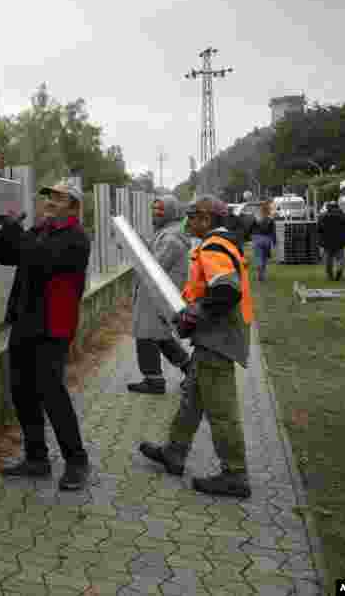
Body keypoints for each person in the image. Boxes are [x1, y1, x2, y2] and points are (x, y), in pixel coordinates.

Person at [138, 195, 254, 498]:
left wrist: (194, 315)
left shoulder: (214, 246)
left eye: (192, 216)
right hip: (213, 337)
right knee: (192, 398)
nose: (187, 222)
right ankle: (174, 452)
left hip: (218, 338)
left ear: (206, 219)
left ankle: (235, 474)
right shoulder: (221, 242)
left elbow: (227, 291)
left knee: (221, 409)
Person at [0, 182, 92, 490]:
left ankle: (77, 462)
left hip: (53, 327)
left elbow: (38, 257)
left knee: (51, 393)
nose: (49, 201)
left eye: (58, 197)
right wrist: (8, 228)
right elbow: (5, 255)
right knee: (22, 391)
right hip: (25, 323)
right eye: (48, 195)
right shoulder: (39, 230)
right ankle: (37, 459)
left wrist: (17, 230)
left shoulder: (76, 239)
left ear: (74, 206)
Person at [128, 195, 193, 394]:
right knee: (160, 336)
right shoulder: (166, 233)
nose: (155, 213)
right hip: (157, 294)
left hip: (157, 295)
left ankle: (153, 380)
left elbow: (154, 266)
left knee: (146, 335)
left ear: (171, 212)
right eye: (154, 209)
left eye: (160, 210)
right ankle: (191, 371)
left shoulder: (171, 237)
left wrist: (137, 252)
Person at [317, 202, 345, 281]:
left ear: (328, 207)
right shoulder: (344, 217)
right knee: (340, 259)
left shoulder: (322, 216)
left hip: (327, 243)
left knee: (328, 260)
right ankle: (339, 272)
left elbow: (319, 230)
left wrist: (320, 241)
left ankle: (330, 276)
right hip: (340, 243)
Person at [250, 200, 276, 281]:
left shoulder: (256, 218)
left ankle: (259, 268)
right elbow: (273, 231)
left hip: (257, 238)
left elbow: (251, 228)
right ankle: (263, 274)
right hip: (267, 239)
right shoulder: (270, 219)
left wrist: (250, 236)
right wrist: (274, 242)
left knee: (258, 256)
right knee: (264, 257)